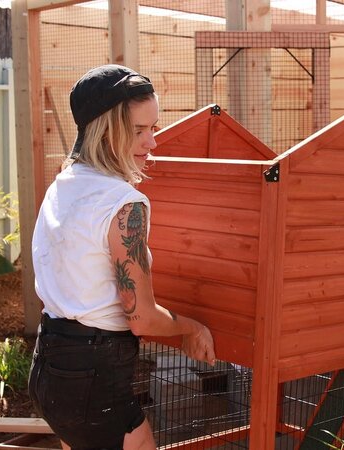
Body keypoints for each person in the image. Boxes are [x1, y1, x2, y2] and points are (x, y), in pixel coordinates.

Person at [28, 65, 216, 450]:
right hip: (95, 381)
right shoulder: (124, 202)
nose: (152, 142)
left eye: (154, 128)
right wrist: (193, 328)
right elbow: (141, 317)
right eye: (138, 131)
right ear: (105, 130)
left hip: (49, 367)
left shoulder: (63, 182)